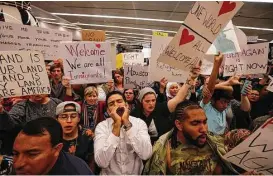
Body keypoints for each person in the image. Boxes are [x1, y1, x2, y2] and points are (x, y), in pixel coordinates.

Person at [143, 100, 236, 175]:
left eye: (204, 122)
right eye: (195, 123)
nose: (204, 129)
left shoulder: (215, 146)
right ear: (179, 124)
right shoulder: (164, 152)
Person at [94, 91, 152, 175]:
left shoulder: (139, 123)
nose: (116, 105)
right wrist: (117, 125)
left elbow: (146, 154)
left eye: (119, 101)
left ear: (126, 105)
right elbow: (101, 162)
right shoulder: (102, 127)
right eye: (111, 104)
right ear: (108, 111)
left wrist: (127, 123)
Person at [12, 117, 93, 175]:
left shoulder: (77, 172)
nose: (18, 164)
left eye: (32, 154)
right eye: (16, 154)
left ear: (57, 150)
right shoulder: (23, 169)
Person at [130, 74, 197, 143]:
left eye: (153, 100)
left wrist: (190, 78)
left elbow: (178, 99)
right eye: (147, 101)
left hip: (162, 147)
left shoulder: (161, 108)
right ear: (141, 102)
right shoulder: (134, 114)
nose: (151, 103)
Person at [200, 54, 251, 135]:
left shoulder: (226, 107)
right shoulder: (206, 106)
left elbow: (246, 109)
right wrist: (217, 65)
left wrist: (244, 95)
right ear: (213, 100)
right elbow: (210, 89)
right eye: (223, 102)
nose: (225, 105)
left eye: (227, 102)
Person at [55, 101, 95, 172]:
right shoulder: (53, 137)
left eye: (73, 116)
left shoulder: (87, 135)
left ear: (79, 118)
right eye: (63, 117)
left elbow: (92, 164)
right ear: (57, 119)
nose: (69, 121)